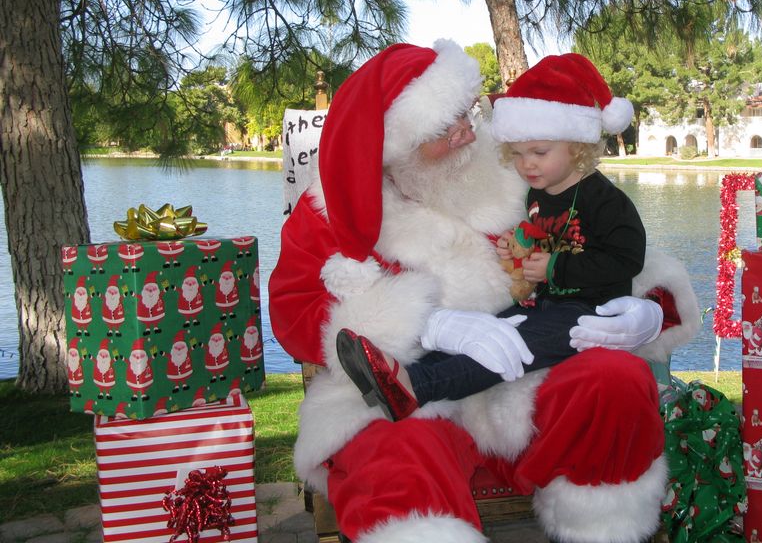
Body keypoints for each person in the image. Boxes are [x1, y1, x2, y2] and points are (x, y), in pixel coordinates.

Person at [268, 40, 700, 543]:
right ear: (392, 146)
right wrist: (428, 325)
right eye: (444, 129)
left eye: (467, 116)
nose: (466, 134)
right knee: (394, 448)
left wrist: (646, 307)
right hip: (409, 387)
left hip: (528, 371)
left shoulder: (512, 168)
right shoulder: (328, 211)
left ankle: (604, 531)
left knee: (615, 378)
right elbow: (296, 312)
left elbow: (608, 243)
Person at [334, 53, 651, 422]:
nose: (526, 164)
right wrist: (517, 247)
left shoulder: (606, 201)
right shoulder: (539, 191)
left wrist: (558, 269)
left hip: (592, 315)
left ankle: (418, 386)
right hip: (546, 304)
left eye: (539, 153)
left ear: (576, 146)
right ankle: (394, 375)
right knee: (492, 331)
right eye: (517, 154)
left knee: (513, 347)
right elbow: (542, 237)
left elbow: (627, 259)